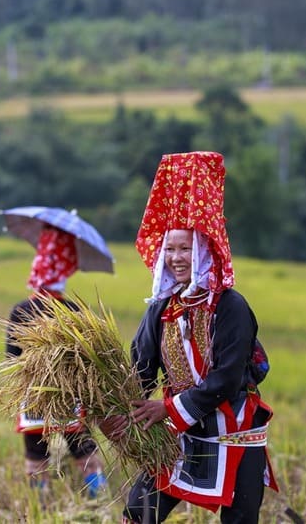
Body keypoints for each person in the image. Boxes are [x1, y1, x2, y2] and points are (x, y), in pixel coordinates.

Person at [99, 151, 277, 523]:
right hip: (178, 435)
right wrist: (114, 409)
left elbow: (227, 379)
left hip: (234, 434)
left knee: (240, 520)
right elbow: (141, 370)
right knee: (138, 513)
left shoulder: (230, 307)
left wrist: (167, 408)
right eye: (170, 250)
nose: (176, 258)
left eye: (185, 248)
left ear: (204, 251)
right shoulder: (161, 309)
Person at [5, 224, 107, 499]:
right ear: (66, 269)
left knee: (36, 457)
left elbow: (11, 358)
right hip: (70, 398)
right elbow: (89, 360)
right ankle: (99, 501)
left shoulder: (22, 310)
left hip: (33, 397)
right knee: (85, 452)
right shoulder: (74, 311)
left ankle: (41, 504)